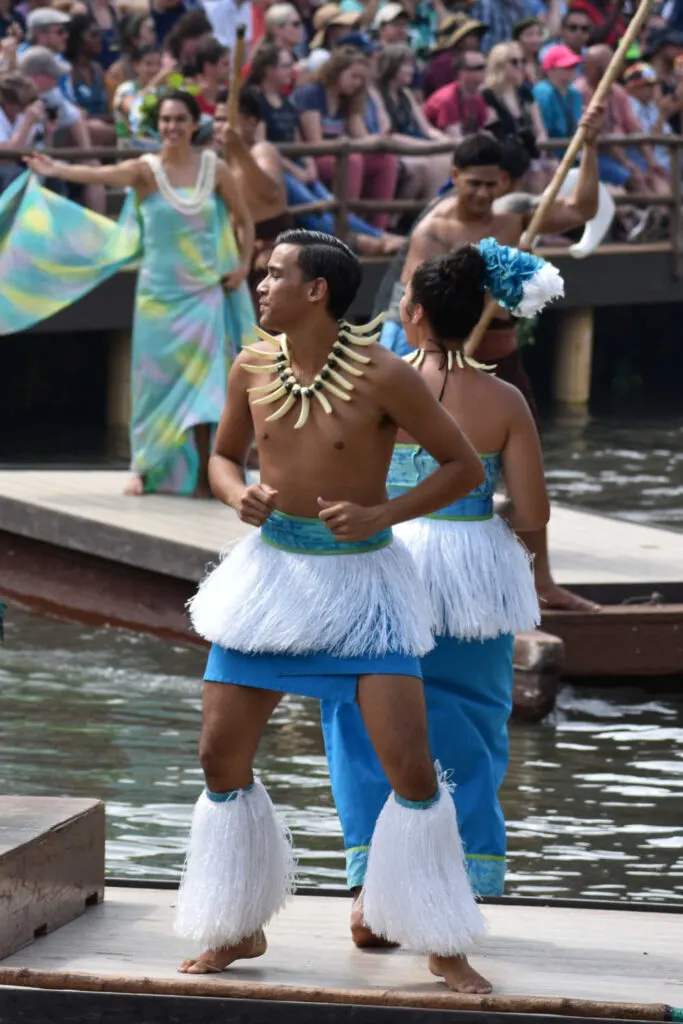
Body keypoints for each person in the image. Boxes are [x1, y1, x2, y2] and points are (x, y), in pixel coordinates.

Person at [176, 227, 490, 993]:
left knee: (412, 769)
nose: (259, 283)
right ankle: (235, 925)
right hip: (270, 576)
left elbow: (463, 468)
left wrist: (385, 515)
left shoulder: (384, 374)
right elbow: (220, 455)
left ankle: (441, 939)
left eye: (275, 273)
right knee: (218, 756)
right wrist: (233, 491)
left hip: (363, 584)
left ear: (316, 291)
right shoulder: (252, 364)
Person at [321, 241, 550, 945]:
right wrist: (531, 576)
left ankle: (368, 892)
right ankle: (457, 884)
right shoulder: (504, 399)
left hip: (386, 561)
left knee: (360, 718)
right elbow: (533, 511)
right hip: (475, 575)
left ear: (412, 313)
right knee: (471, 725)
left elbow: (341, 479)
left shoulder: (377, 384)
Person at [377, 118, 604, 613]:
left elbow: (583, 209)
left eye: (491, 184)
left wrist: (589, 144)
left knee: (526, 464)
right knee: (448, 466)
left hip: (503, 359)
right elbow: (415, 307)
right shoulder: (434, 230)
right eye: (473, 183)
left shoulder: (513, 216)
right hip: (451, 368)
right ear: (454, 176)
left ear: (504, 183)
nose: (482, 194)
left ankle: (540, 578)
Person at [6, 90, 255, 497]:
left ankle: (212, 469)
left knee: (210, 383)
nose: (171, 126)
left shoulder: (215, 169)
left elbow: (243, 219)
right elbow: (102, 176)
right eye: (166, 119)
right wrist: (58, 169)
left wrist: (243, 265)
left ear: (195, 124)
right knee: (153, 386)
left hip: (205, 292)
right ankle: (145, 465)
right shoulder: (145, 170)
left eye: (180, 119)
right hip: (158, 296)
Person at [249, 42, 401, 253]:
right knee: (313, 205)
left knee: (330, 201)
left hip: (299, 165)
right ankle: (355, 241)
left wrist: (308, 164)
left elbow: (298, 141)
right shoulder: (257, 100)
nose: (291, 70)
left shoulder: (285, 101)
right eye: (285, 66)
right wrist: (296, 169)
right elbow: (262, 147)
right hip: (278, 170)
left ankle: (377, 234)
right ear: (268, 70)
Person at [293, 46, 399, 231]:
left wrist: (377, 140)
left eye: (361, 78)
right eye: (353, 76)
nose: (357, 83)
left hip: (342, 153)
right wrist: (353, 144)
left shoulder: (349, 98)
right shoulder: (311, 93)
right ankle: (348, 226)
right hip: (314, 158)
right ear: (336, 71)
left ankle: (378, 229)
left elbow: (363, 136)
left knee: (386, 161)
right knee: (352, 160)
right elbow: (315, 143)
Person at [214, 86, 294, 297]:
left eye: (226, 119)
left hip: (268, 249)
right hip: (233, 252)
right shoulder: (217, 160)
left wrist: (240, 151)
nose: (219, 126)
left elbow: (270, 192)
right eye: (217, 120)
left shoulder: (262, 150)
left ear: (251, 122)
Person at [18, 45, 105, 212]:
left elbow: (75, 117)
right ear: (36, 77)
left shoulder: (51, 94)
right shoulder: (10, 94)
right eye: (52, 76)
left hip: (42, 155)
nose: (56, 80)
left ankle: (98, 232)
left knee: (91, 166)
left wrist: (86, 152)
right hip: (15, 161)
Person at [577, 44, 669, 198]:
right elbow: (599, 133)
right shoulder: (581, 91)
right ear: (589, 67)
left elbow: (634, 128)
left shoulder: (618, 92)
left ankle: (670, 218)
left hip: (622, 153)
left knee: (656, 176)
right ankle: (653, 216)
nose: (609, 67)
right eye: (602, 64)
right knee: (634, 177)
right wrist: (626, 163)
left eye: (611, 62)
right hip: (596, 155)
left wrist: (651, 160)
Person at [375, 42, 452, 200]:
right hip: (398, 145)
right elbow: (389, 133)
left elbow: (427, 129)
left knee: (447, 156)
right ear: (392, 66)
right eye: (407, 65)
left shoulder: (406, 94)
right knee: (430, 161)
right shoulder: (378, 93)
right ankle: (406, 215)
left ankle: (431, 206)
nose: (412, 70)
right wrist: (429, 146)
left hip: (417, 142)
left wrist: (447, 141)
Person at [482, 40, 550, 192]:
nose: (520, 66)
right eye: (514, 62)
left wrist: (541, 149)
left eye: (522, 61)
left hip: (530, 151)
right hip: (504, 156)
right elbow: (492, 131)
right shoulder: (487, 95)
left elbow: (540, 129)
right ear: (499, 65)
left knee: (551, 170)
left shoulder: (525, 93)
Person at [62, 15, 115, 145]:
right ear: (77, 38)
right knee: (99, 130)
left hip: (103, 126)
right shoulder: (65, 70)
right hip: (76, 130)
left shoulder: (97, 69)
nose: (99, 39)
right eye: (94, 34)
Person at [424, 50, 489, 137]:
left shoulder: (476, 97)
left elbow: (483, 130)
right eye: (480, 68)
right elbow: (455, 138)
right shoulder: (448, 99)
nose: (485, 71)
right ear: (462, 72)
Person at [533, 43, 583, 154]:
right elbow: (545, 131)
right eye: (567, 67)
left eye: (574, 66)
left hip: (574, 153)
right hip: (552, 156)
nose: (572, 70)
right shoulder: (543, 92)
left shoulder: (575, 93)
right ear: (551, 69)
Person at [422, 15, 487, 99]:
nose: (476, 40)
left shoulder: (464, 60)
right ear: (458, 40)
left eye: (477, 35)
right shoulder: (443, 62)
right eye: (471, 35)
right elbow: (445, 97)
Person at [193, 38, 231, 115]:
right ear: (209, 67)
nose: (230, 68)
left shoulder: (233, 92)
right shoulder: (193, 100)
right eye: (225, 64)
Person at [512, 15, 543, 84]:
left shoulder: (543, 64)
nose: (535, 39)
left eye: (539, 34)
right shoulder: (513, 65)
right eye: (529, 34)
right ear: (517, 39)